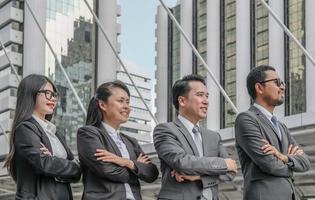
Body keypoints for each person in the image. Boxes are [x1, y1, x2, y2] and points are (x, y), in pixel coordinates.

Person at [153, 74, 237, 200]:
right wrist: (224, 164)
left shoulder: (213, 137)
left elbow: (231, 172)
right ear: (182, 101)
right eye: (199, 95)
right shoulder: (165, 130)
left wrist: (199, 177)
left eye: (207, 96)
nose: (206, 101)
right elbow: (183, 162)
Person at [235, 65, 311, 200]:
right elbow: (269, 164)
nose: (282, 87)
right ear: (259, 88)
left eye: (282, 83)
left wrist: (285, 157)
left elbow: (305, 162)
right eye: (277, 82)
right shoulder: (246, 119)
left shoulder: (281, 127)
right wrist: (292, 166)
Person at [77, 80, 159, 200]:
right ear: (103, 105)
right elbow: (106, 170)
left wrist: (127, 162)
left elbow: (152, 173)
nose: (127, 107)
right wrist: (137, 168)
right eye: (121, 101)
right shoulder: (88, 134)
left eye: (128, 102)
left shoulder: (131, 141)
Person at [3, 74, 81, 200]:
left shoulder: (56, 133)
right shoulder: (25, 129)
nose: (53, 99)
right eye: (47, 93)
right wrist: (64, 165)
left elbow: (77, 172)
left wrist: (53, 160)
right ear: (31, 94)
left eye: (54, 95)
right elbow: (44, 164)